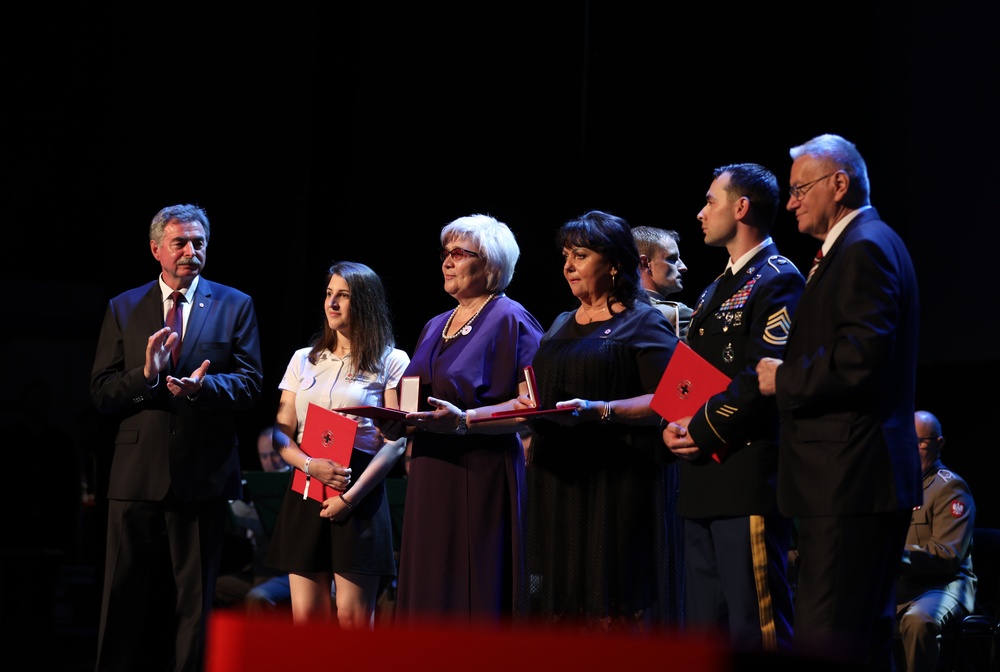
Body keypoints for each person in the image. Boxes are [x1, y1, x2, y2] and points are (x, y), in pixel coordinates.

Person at [756, 134, 921, 668]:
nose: (790, 202)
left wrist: (784, 378)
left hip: (848, 478)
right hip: (851, 477)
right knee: (861, 641)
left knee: (826, 640)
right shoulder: (860, 246)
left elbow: (858, 360)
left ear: (839, 184)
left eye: (800, 189)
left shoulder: (866, 247)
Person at [90, 203, 263, 672]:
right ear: (156, 250)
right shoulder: (124, 307)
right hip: (135, 474)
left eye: (199, 242)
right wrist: (146, 375)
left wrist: (205, 386)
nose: (191, 251)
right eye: (180, 243)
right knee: (119, 597)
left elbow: (250, 383)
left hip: (201, 473)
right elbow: (102, 393)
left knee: (195, 602)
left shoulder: (235, 304)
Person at [662, 163, 802, 652]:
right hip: (699, 475)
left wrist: (697, 426)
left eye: (710, 201)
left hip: (745, 473)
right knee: (705, 628)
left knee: (753, 624)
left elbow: (760, 377)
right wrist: (670, 422)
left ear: (741, 208)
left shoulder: (777, 279)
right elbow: (689, 370)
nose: (701, 213)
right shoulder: (713, 288)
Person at [524, 210, 680, 630]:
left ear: (614, 264)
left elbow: (674, 400)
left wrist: (603, 410)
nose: (568, 265)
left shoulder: (643, 321)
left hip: (618, 482)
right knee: (564, 606)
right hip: (560, 481)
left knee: (614, 605)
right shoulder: (559, 323)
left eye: (580, 255)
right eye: (565, 255)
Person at [390, 213, 544, 624]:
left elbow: (533, 406)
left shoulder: (511, 319)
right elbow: (411, 394)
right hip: (429, 471)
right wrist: (393, 417)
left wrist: (466, 420)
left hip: (481, 470)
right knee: (429, 586)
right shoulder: (434, 324)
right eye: (446, 252)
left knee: (471, 586)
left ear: (491, 264)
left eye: (460, 253)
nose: (447, 261)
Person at [264, 261, 409, 629]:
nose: (332, 303)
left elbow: (396, 439)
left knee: (353, 619)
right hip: (307, 484)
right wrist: (310, 465)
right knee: (308, 621)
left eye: (343, 296)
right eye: (329, 294)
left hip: (357, 488)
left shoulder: (392, 361)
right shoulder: (303, 359)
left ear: (365, 303)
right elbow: (281, 434)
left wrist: (351, 498)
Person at [895, 411, 977, 672]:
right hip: (904, 587)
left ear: (939, 444)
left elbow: (947, 555)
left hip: (944, 587)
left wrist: (893, 555)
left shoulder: (950, 488)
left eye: (920, 443)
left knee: (918, 621)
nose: (912, 449)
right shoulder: (896, 487)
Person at [214, 426, 292, 613]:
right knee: (211, 589)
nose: (270, 462)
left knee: (258, 597)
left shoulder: (294, 487)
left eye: (274, 455)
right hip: (258, 572)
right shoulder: (258, 491)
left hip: (288, 574)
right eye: (264, 457)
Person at [632, 225, 692, 340]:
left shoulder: (611, 309)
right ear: (645, 263)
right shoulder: (676, 314)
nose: (683, 267)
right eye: (672, 259)